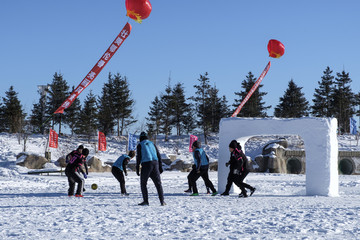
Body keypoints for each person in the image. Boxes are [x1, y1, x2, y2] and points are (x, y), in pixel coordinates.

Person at [136, 132, 166, 206]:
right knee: (158, 184)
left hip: (146, 164)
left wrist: (137, 168)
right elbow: (158, 155)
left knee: (143, 183)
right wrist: (160, 166)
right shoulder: (152, 143)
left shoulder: (140, 145)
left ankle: (146, 201)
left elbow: (139, 157)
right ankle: (162, 201)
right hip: (155, 164)